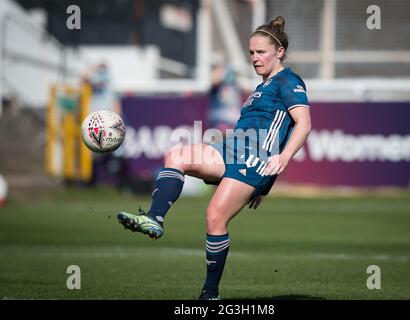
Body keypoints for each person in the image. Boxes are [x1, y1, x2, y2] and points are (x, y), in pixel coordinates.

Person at [117, 16, 312, 300]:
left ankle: (210, 293)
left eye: (261, 52)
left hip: (254, 158)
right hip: (233, 147)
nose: (254, 58)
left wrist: (277, 163)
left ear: (279, 52)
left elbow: (303, 124)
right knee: (177, 155)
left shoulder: (289, 81)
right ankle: (155, 218)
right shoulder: (260, 88)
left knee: (214, 218)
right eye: (251, 53)